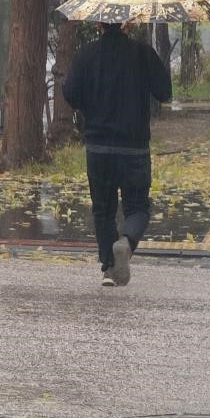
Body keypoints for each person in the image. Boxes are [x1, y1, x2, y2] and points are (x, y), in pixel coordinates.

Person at [62, 22, 172, 287]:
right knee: (138, 207)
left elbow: (71, 95)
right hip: (134, 147)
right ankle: (126, 242)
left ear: (99, 23)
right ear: (127, 24)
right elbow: (164, 93)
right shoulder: (142, 53)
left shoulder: (86, 55)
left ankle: (109, 268)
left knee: (103, 209)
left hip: (98, 147)